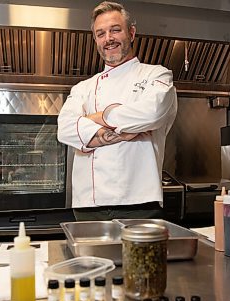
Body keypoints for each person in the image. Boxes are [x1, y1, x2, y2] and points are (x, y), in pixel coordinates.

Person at [57, 1, 177, 221]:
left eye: (115, 30)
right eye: (100, 33)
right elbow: (64, 129)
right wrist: (125, 131)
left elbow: (151, 113)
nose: (108, 38)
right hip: (88, 206)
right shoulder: (83, 88)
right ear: (95, 40)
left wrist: (94, 119)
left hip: (140, 202)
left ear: (131, 33)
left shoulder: (157, 75)